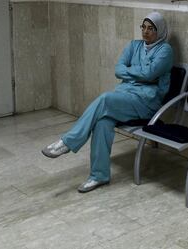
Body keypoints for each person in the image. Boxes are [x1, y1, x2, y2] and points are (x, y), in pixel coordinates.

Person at [42, 11, 174, 193]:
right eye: (143, 27)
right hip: (125, 96)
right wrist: (140, 73)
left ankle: (68, 142)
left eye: (151, 28)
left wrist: (134, 72)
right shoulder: (134, 45)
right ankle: (99, 176)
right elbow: (119, 70)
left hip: (146, 103)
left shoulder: (165, 50)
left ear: (159, 31)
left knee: (105, 99)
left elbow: (150, 74)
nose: (145, 32)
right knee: (103, 122)